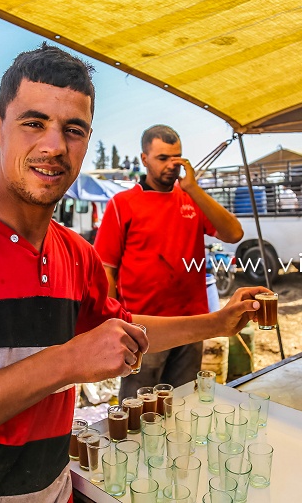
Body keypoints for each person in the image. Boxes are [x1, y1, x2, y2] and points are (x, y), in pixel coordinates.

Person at [0, 44, 264, 502]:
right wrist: (68, 361)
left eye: (73, 129)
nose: (53, 146)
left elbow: (123, 331)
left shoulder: (75, 253)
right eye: (33, 123)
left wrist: (217, 323)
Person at [94, 124, 244, 399]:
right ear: (144, 159)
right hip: (143, 329)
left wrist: (194, 189)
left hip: (191, 324)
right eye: (163, 158)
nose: (171, 165)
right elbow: (107, 270)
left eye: (177, 158)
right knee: (138, 411)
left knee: (182, 406)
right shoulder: (123, 203)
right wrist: (111, 325)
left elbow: (234, 233)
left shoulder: (191, 199)